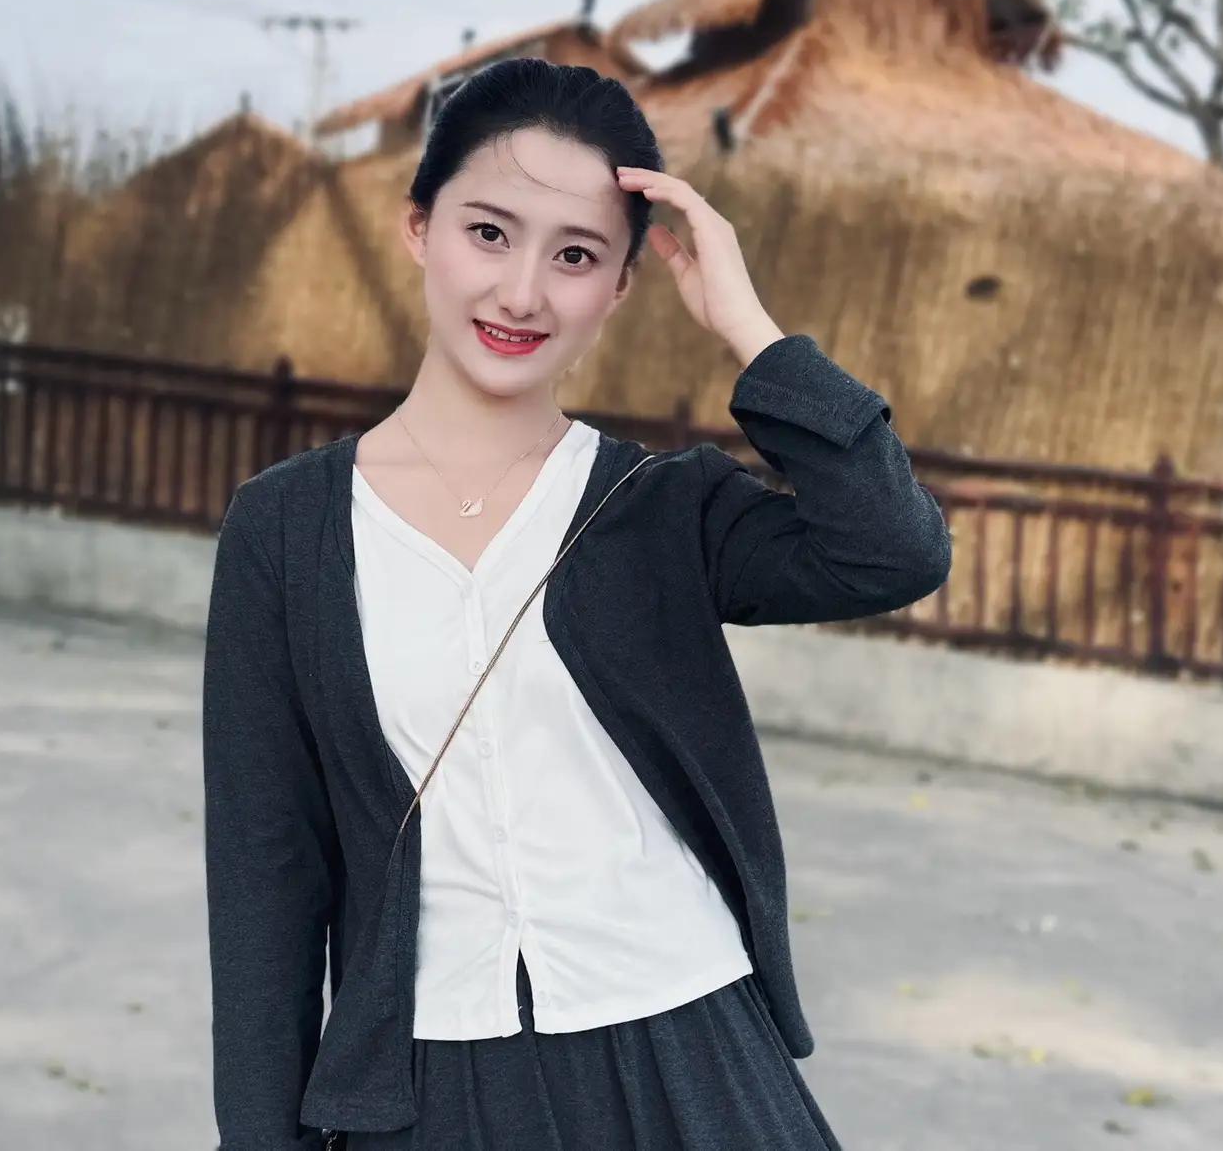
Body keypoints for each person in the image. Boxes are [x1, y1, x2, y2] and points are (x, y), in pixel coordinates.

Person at [202, 57, 952, 1151]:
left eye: (575, 256)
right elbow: (265, 875)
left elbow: (892, 550)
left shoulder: (663, 507)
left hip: (690, 1061)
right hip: (428, 1087)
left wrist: (752, 329)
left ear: (620, 286)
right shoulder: (284, 530)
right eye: (488, 232)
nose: (522, 293)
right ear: (419, 227)